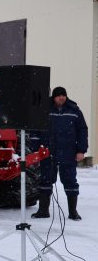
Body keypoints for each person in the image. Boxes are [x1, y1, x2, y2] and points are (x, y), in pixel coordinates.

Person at [32, 86, 88, 221]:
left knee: (70, 181)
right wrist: (35, 150)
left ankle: (73, 212)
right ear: (54, 97)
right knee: (45, 180)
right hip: (47, 152)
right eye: (59, 95)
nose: (61, 98)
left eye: (63, 95)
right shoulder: (44, 109)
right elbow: (35, 131)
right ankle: (43, 210)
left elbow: (82, 131)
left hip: (68, 152)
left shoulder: (74, 111)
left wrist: (81, 150)